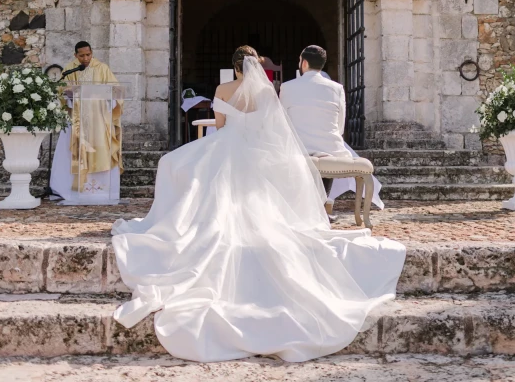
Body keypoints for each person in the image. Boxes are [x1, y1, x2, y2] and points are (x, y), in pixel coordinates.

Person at [110, 45, 405, 363]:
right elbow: (271, 129)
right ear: (256, 66)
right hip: (258, 151)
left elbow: (220, 125)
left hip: (227, 146)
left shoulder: (223, 88)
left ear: (233, 65)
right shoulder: (268, 92)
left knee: (173, 163)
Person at [280, 45, 383, 210]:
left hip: (298, 147)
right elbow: (340, 126)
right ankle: (322, 204)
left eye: (299, 61)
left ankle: (307, 207)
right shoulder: (337, 88)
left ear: (304, 63)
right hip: (330, 147)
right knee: (331, 149)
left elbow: (283, 122)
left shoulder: (287, 87)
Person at [50, 41, 123, 203]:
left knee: (101, 151)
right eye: (81, 55)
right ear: (75, 55)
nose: (85, 58)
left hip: (99, 120)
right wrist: (67, 93)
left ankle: (101, 193)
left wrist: (110, 95)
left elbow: (116, 90)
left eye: (88, 54)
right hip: (77, 119)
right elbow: (61, 90)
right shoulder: (70, 69)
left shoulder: (102, 68)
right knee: (71, 153)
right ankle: (72, 192)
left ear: (92, 53)